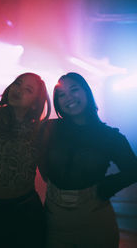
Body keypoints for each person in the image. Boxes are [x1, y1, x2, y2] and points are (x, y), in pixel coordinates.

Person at [0, 0, 51, 248]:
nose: (19, 89)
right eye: (18, 82)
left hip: (27, 211)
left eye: (28, 89)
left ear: (35, 102)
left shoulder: (39, 130)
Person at [39, 72, 137, 248]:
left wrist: (106, 187)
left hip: (95, 218)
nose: (69, 97)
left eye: (74, 90)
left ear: (87, 92)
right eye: (61, 95)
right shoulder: (49, 128)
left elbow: (133, 170)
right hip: (54, 219)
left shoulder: (109, 136)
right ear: (57, 102)